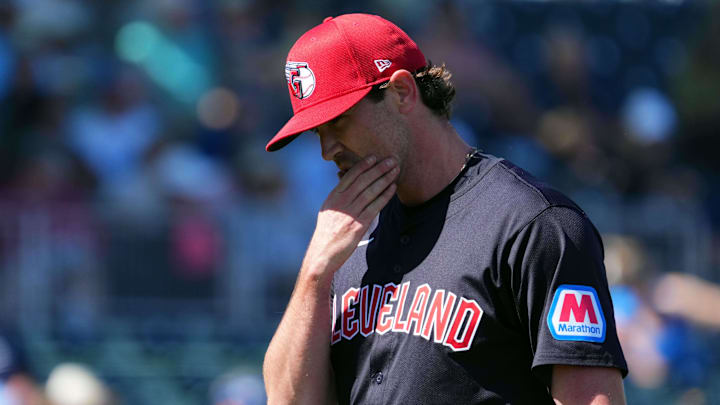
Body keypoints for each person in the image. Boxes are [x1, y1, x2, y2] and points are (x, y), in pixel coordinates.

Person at [263, 13, 628, 405]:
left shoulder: (534, 225)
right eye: (318, 131)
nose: (326, 150)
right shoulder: (342, 245)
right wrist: (315, 273)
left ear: (402, 92)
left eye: (339, 122)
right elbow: (287, 400)